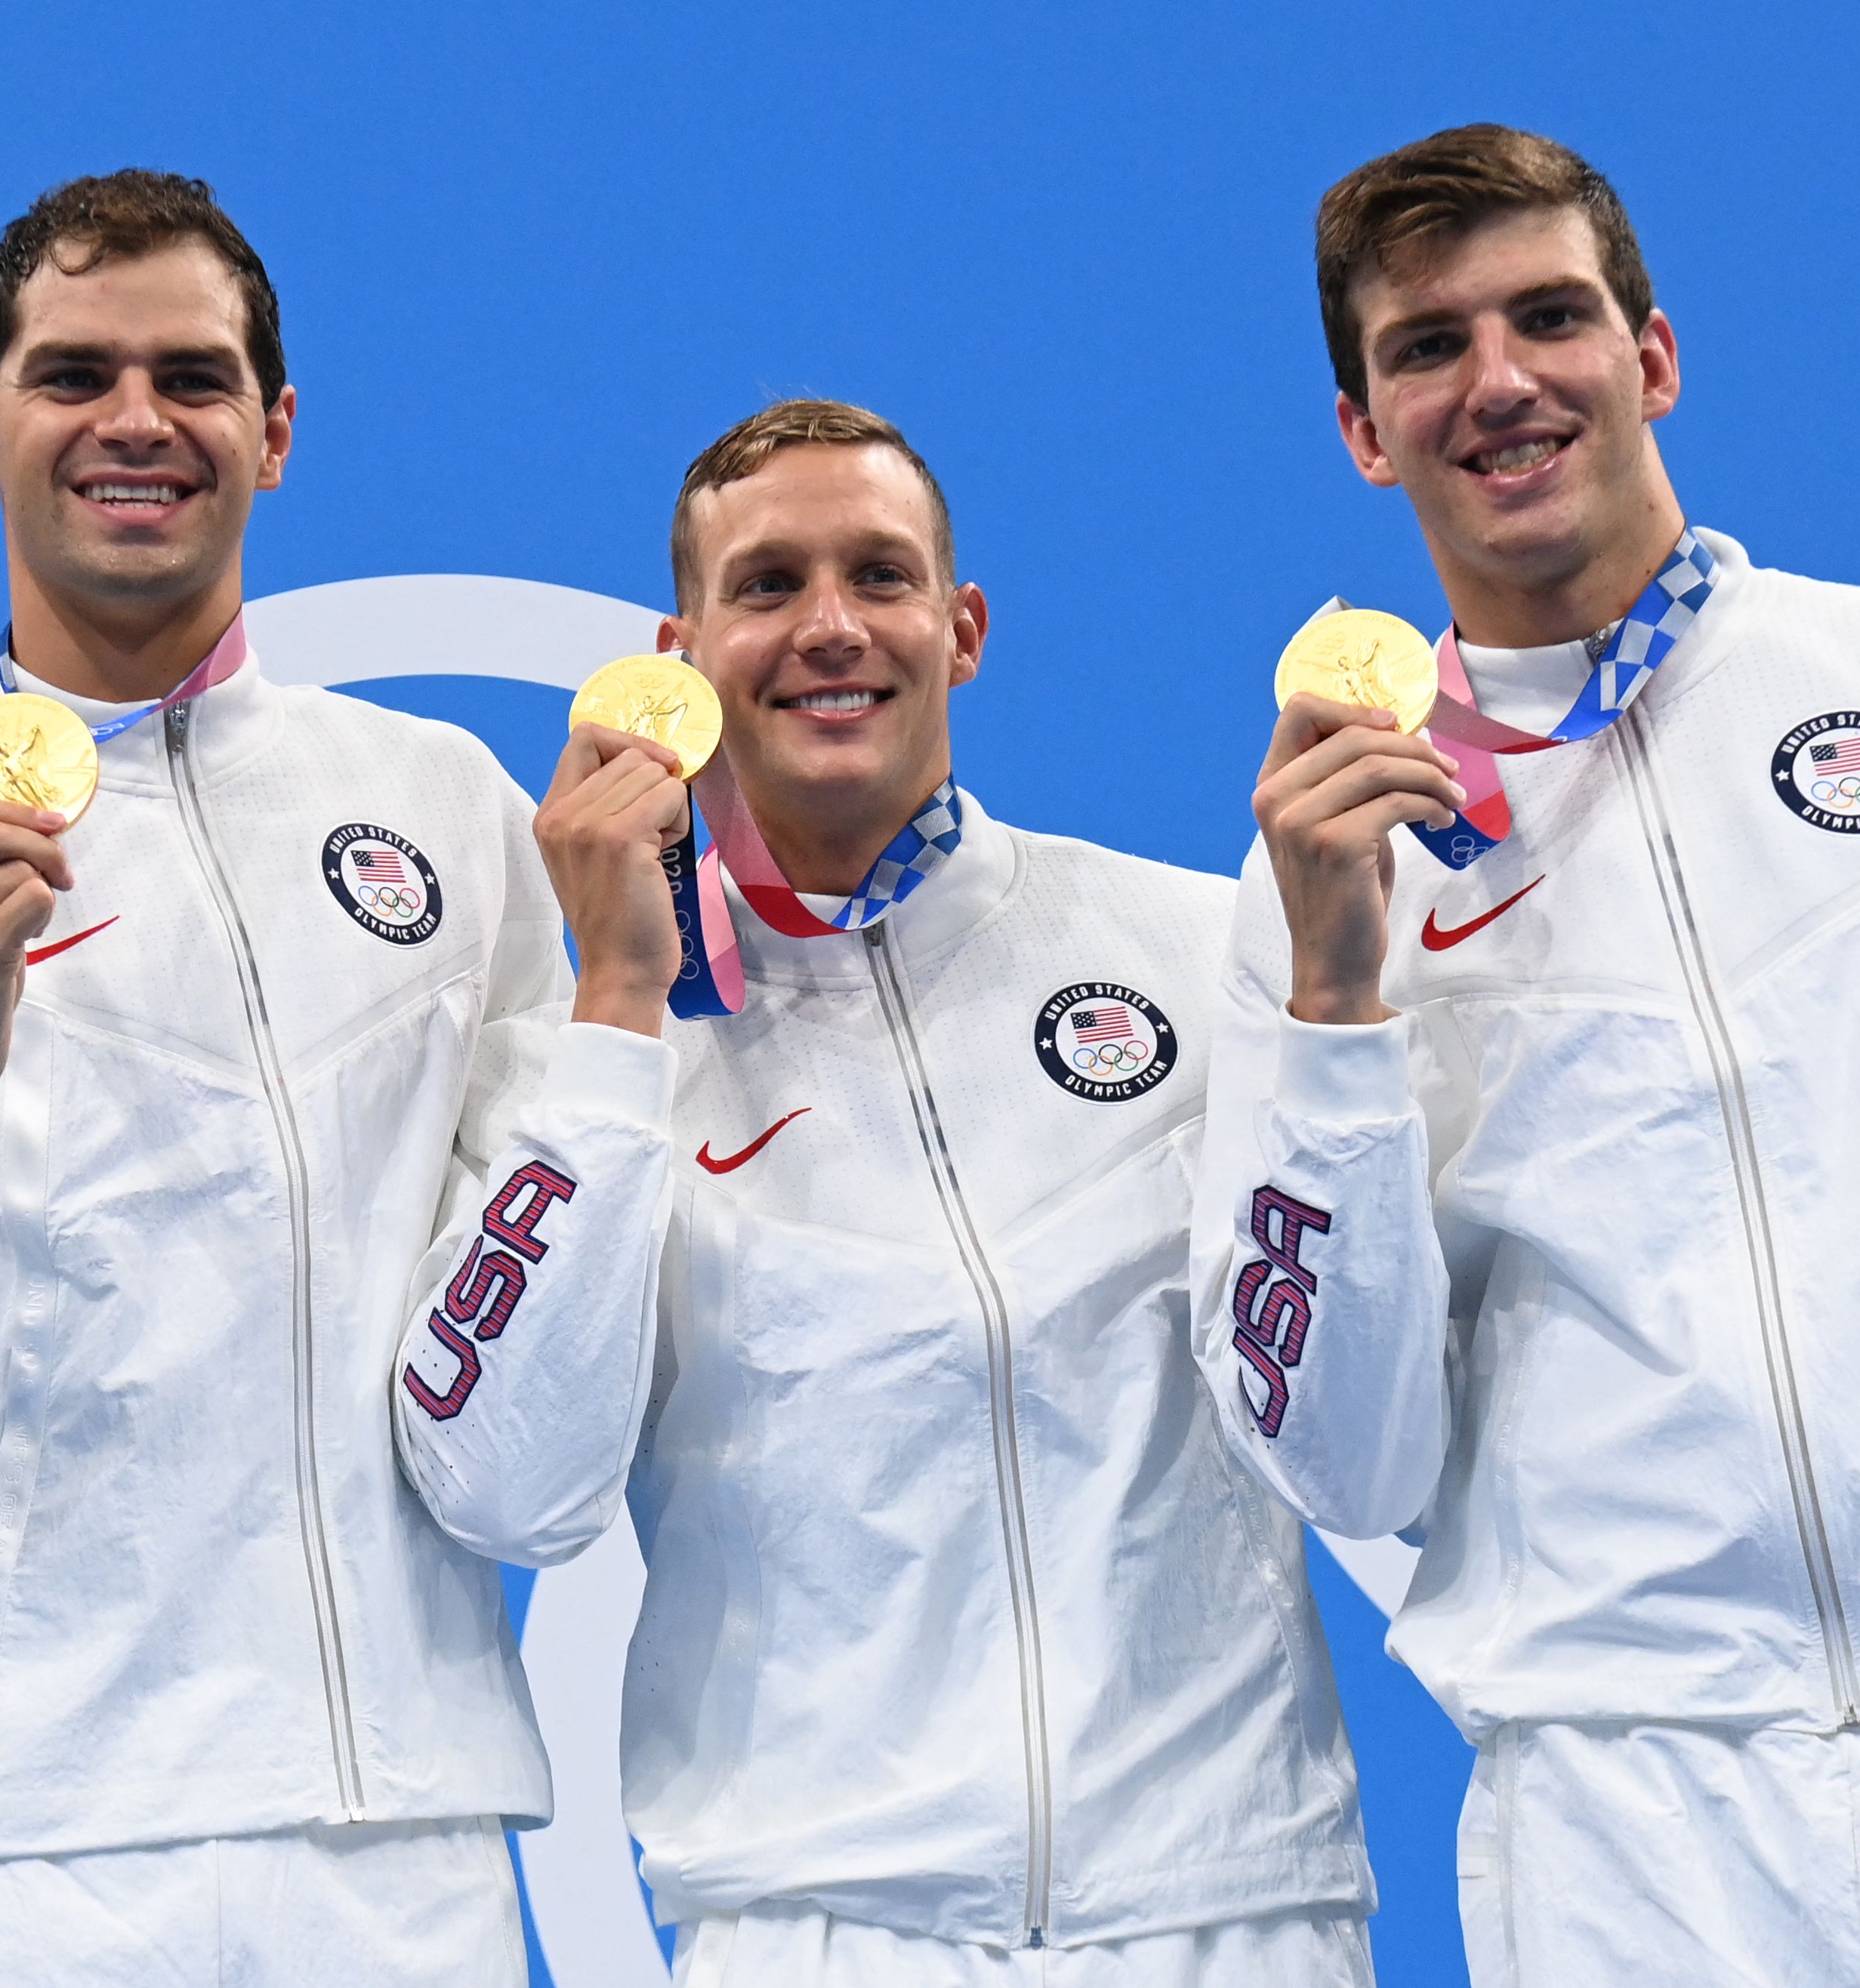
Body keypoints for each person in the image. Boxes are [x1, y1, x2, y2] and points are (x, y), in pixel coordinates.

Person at [0, 169, 637, 1986]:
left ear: (276, 430)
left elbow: (522, 1432)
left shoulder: (442, 813)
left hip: (399, 1846)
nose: (137, 422)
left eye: (192, 375)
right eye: (75, 373)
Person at [396, 399, 1375, 1986]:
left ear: (962, 627)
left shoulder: (1197, 955)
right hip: (815, 1928)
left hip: (1230, 1907)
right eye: (768, 585)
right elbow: (507, 1491)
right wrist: (618, 1022)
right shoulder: (586, 1065)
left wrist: (1337, 1013)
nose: (830, 627)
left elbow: (1362, 1444)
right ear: (680, 652)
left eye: (880, 575)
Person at [1195, 122, 1860, 1984]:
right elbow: (1338, 1460)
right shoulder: (1312, 874)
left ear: (1652, 356)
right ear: (1364, 431)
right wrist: (1338, 1006)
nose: (1498, 381)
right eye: (1424, 345)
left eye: (1549, 316)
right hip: (1635, 1830)